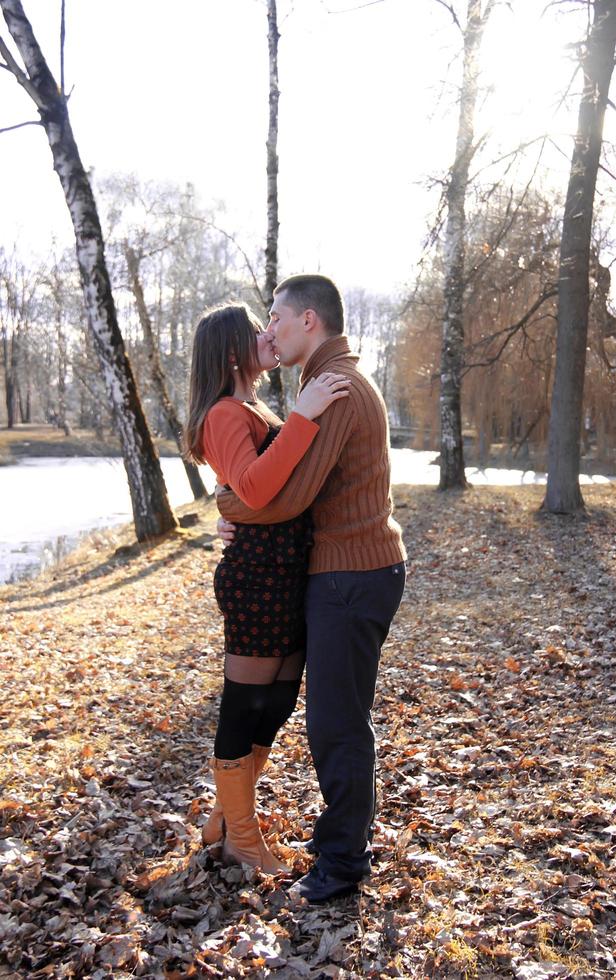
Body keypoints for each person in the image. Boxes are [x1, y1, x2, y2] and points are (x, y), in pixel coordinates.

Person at [215, 275, 407, 902]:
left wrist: (228, 502)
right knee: (333, 717)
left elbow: (285, 497)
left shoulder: (338, 391)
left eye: (276, 316)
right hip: (347, 569)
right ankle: (320, 844)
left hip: (352, 575)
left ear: (309, 321)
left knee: (336, 724)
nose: (268, 329)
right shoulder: (322, 383)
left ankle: (343, 862)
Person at [184, 303, 350, 874]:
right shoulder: (224, 412)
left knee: (275, 702)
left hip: (284, 567)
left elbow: (261, 487)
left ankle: (226, 817)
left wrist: (228, 505)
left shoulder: (251, 406)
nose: (267, 334)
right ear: (231, 351)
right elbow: (254, 488)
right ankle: (241, 839)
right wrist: (303, 415)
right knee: (244, 704)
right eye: (255, 329)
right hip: (257, 574)